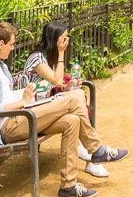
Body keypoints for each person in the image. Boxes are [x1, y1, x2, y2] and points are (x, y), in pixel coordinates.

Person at [0, 22, 129, 197]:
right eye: (11, 44)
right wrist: (22, 102)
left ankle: (68, 186)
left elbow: (5, 96)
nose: (13, 49)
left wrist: (24, 95)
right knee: (75, 96)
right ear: (0, 44)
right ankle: (97, 149)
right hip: (6, 127)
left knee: (72, 121)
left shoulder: (0, 66)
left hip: (21, 116)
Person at [23, 21, 107, 179]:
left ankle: (91, 154)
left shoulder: (49, 57)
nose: (66, 42)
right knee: (77, 100)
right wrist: (61, 54)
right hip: (31, 112)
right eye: (63, 39)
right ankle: (92, 152)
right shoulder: (37, 58)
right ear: (53, 39)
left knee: (77, 102)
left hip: (43, 106)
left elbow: (59, 83)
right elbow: (56, 81)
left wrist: (68, 87)